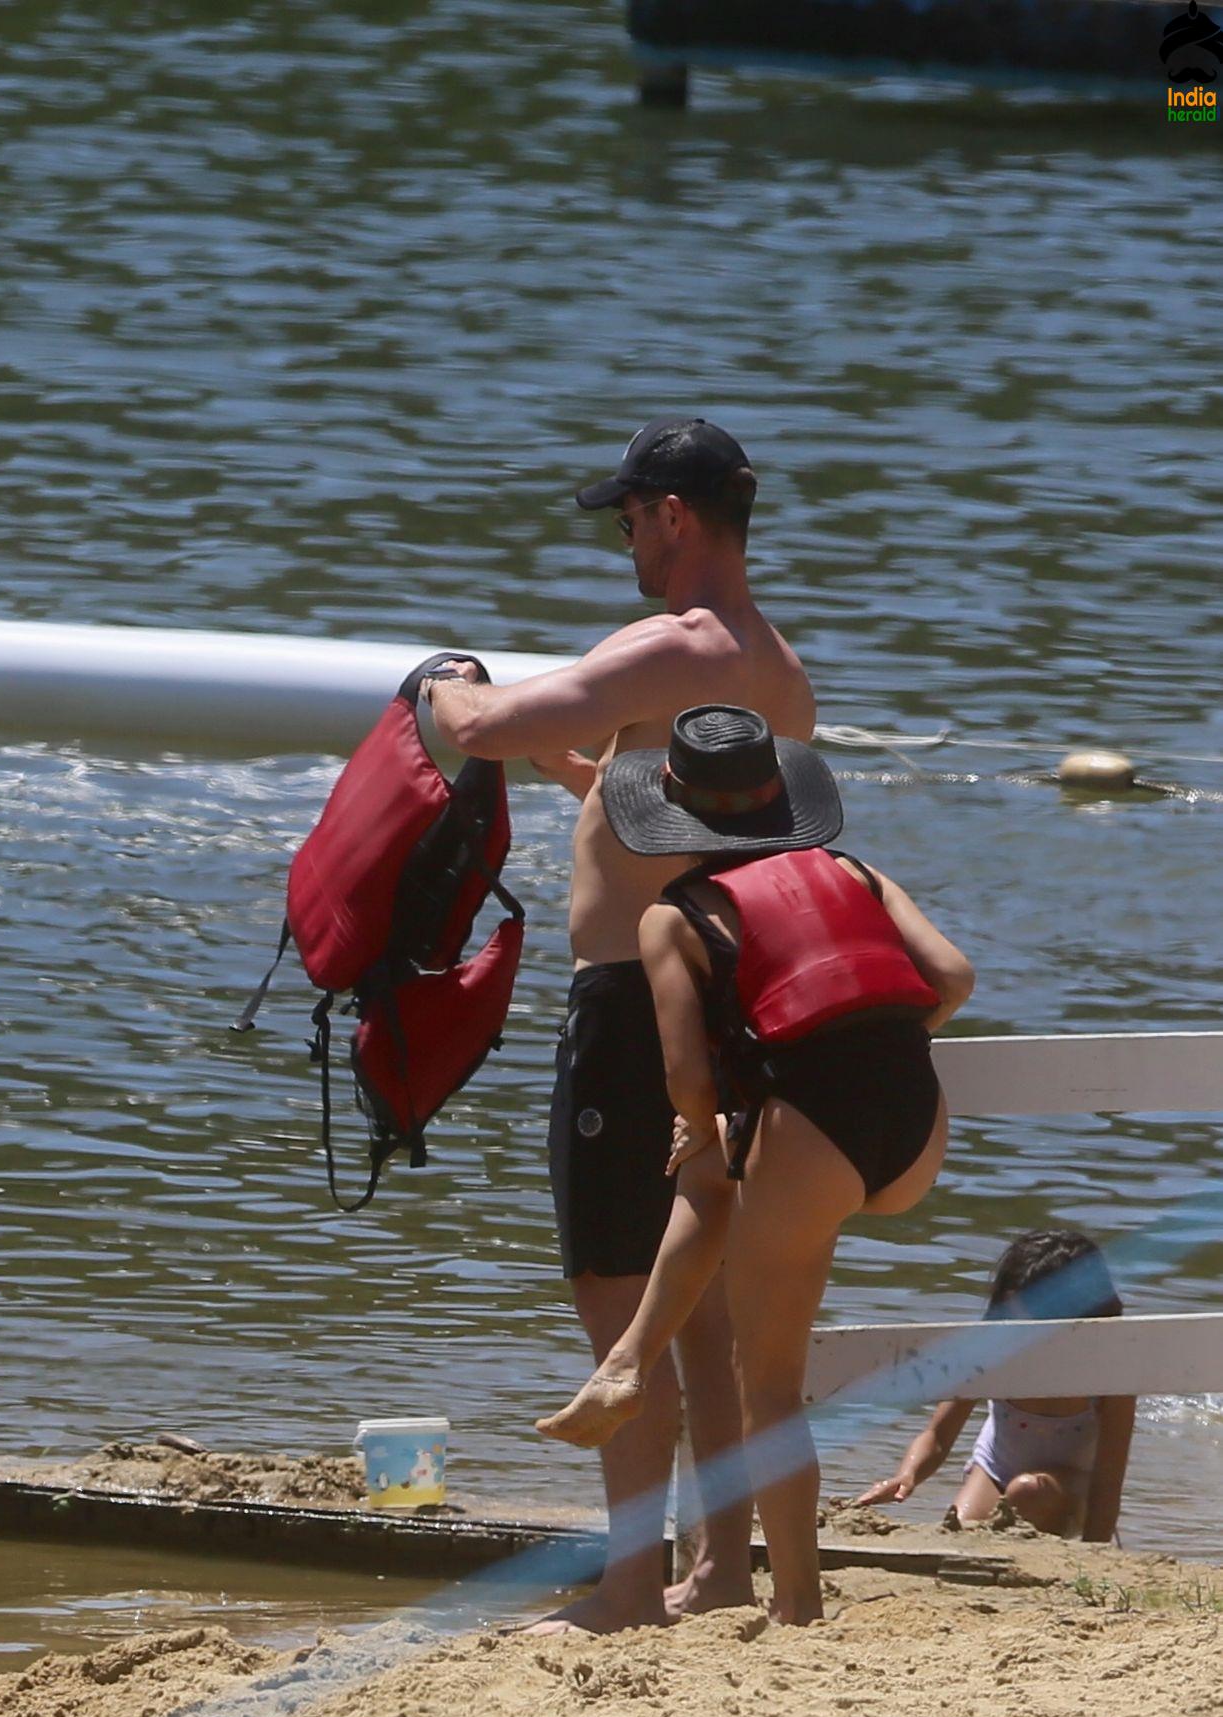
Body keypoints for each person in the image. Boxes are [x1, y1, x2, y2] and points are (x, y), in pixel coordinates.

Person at [426, 419, 814, 1633]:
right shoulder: (776, 669)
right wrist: (586, 785)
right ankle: (714, 1561)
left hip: (623, 1005)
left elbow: (477, 727)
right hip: (719, 1000)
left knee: (612, 1290)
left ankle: (630, 1585)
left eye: (628, 519)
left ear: (675, 519)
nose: (624, 543)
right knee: (692, 1296)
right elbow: (705, 827)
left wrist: (441, 684)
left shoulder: (668, 644)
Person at [537, 706, 974, 1627]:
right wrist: (890, 1044)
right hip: (914, 1124)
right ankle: (629, 1357)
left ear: (674, 816)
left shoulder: (674, 916)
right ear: (782, 804)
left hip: (811, 1140)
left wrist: (696, 1122)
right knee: (717, 1175)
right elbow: (954, 976)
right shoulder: (854, 869)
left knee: (765, 1377)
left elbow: (686, 1075)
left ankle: (797, 1608)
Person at [855, 1229, 1135, 1542]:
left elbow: (1108, 1483)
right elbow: (937, 1436)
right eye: (1009, 1314)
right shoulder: (987, 1350)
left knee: (1028, 1492)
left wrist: (1094, 1553)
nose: (1016, 1332)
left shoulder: (1109, 1369)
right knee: (958, 1535)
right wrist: (907, 1475)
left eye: (1031, 1318)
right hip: (995, 1470)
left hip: (1073, 1487)